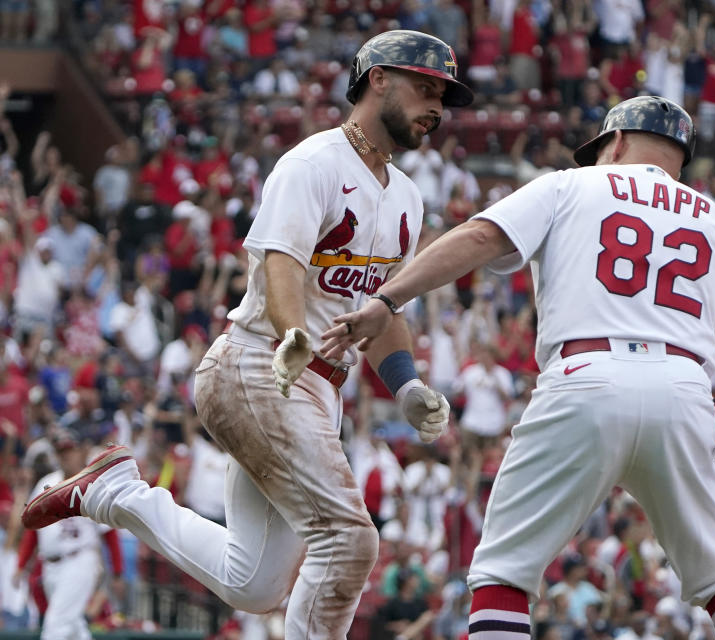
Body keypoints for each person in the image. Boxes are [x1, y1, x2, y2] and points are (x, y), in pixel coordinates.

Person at [319, 96, 715, 640]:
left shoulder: (570, 184)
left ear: (617, 141)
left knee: (502, 573)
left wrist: (387, 299)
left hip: (585, 378)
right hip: (683, 391)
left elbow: (481, 237)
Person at [20, 29, 472, 638]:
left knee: (253, 583)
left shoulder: (410, 199)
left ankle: (117, 492)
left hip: (315, 392)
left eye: (444, 96)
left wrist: (407, 383)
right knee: (348, 541)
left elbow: (382, 308)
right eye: (426, 88)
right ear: (378, 80)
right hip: (261, 366)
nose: (437, 108)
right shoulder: (313, 162)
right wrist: (292, 334)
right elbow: (278, 261)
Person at [15, 432, 125, 640]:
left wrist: (118, 573)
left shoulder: (94, 484)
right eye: (61, 452)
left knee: (55, 627)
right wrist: (21, 564)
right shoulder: (46, 483)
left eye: (69, 450)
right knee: (74, 627)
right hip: (50, 566)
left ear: (80, 451)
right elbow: (33, 529)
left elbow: (109, 534)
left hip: (80, 560)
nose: (65, 456)